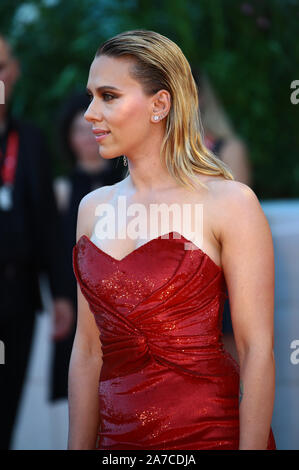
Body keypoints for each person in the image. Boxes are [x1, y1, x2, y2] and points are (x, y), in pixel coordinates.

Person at [68, 30, 276, 450]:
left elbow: (257, 350)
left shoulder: (229, 202)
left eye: (108, 96)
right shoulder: (92, 208)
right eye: (91, 95)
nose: (90, 112)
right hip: (117, 443)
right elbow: (88, 351)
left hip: (208, 436)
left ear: (160, 105)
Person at [0, 34, 73, 449]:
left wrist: (61, 293)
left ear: (14, 72)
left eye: (0, 67)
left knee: (7, 409)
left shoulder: (29, 139)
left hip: (19, 297)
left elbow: (47, 222)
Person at [49, 91, 126, 401]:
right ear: (67, 137)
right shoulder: (61, 189)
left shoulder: (128, 181)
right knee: (83, 391)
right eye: (76, 130)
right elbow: (55, 251)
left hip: (122, 301)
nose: (85, 137)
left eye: (89, 128)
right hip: (79, 301)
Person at [192, 68, 253, 363]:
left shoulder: (229, 149)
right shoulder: (153, 156)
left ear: (202, 96)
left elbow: (238, 219)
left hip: (223, 269)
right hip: (176, 273)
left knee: (231, 358)